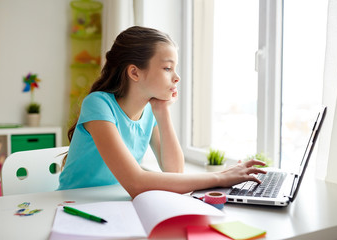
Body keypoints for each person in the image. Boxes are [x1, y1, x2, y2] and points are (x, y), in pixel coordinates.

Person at [58, 26, 266, 198]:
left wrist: (162, 110)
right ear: (134, 72)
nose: (177, 77)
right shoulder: (98, 104)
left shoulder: (150, 111)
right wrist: (221, 177)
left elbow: (175, 172)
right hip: (73, 204)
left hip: (113, 202)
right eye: (167, 68)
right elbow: (136, 182)